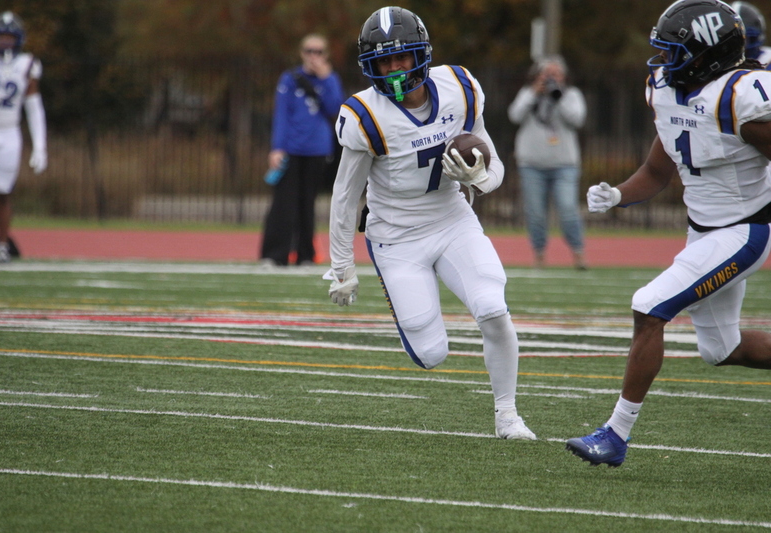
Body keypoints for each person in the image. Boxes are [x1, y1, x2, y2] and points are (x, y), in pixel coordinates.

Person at [567, 0, 771, 467]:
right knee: (725, 349)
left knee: (649, 305)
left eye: (675, 51)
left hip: (746, 231)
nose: (663, 61)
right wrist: (619, 195)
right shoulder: (665, 89)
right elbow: (660, 168)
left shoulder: (741, 96)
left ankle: (615, 435)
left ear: (709, 56)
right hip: (703, 232)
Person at [327, 6, 535, 440]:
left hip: (452, 219)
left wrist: (479, 178)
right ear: (371, 66)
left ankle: (508, 416)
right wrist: (342, 264)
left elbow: (494, 168)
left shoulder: (459, 87)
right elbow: (346, 196)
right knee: (431, 354)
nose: (395, 69)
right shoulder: (366, 114)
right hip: (396, 239)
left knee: (493, 308)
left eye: (402, 58)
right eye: (384, 61)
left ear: (421, 55)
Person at [260, 34, 344, 266]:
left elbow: (335, 108)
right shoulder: (289, 79)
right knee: (284, 204)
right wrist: (277, 148)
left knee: (308, 204)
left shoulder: (330, 79)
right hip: (291, 150)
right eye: (309, 51)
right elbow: (281, 116)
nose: (313, 56)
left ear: (325, 55)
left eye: (318, 52)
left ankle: (306, 255)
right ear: (301, 53)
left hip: (317, 150)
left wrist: (325, 78)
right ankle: (274, 255)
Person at [0, 11, 46, 263]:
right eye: (1, 37)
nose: (5, 42)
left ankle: (2, 244)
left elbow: (34, 107)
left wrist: (40, 147)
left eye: (9, 38)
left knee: (3, 190)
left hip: (8, 132)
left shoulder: (27, 64)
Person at [507, 56, 587, 270]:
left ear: (564, 76)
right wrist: (535, 93)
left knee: (568, 209)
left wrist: (558, 97)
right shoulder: (528, 93)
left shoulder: (571, 95)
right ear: (538, 76)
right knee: (535, 213)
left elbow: (577, 119)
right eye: (547, 74)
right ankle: (539, 256)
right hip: (532, 165)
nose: (552, 78)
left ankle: (578, 254)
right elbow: (514, 115)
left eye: (556, 74)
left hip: (564, 165)